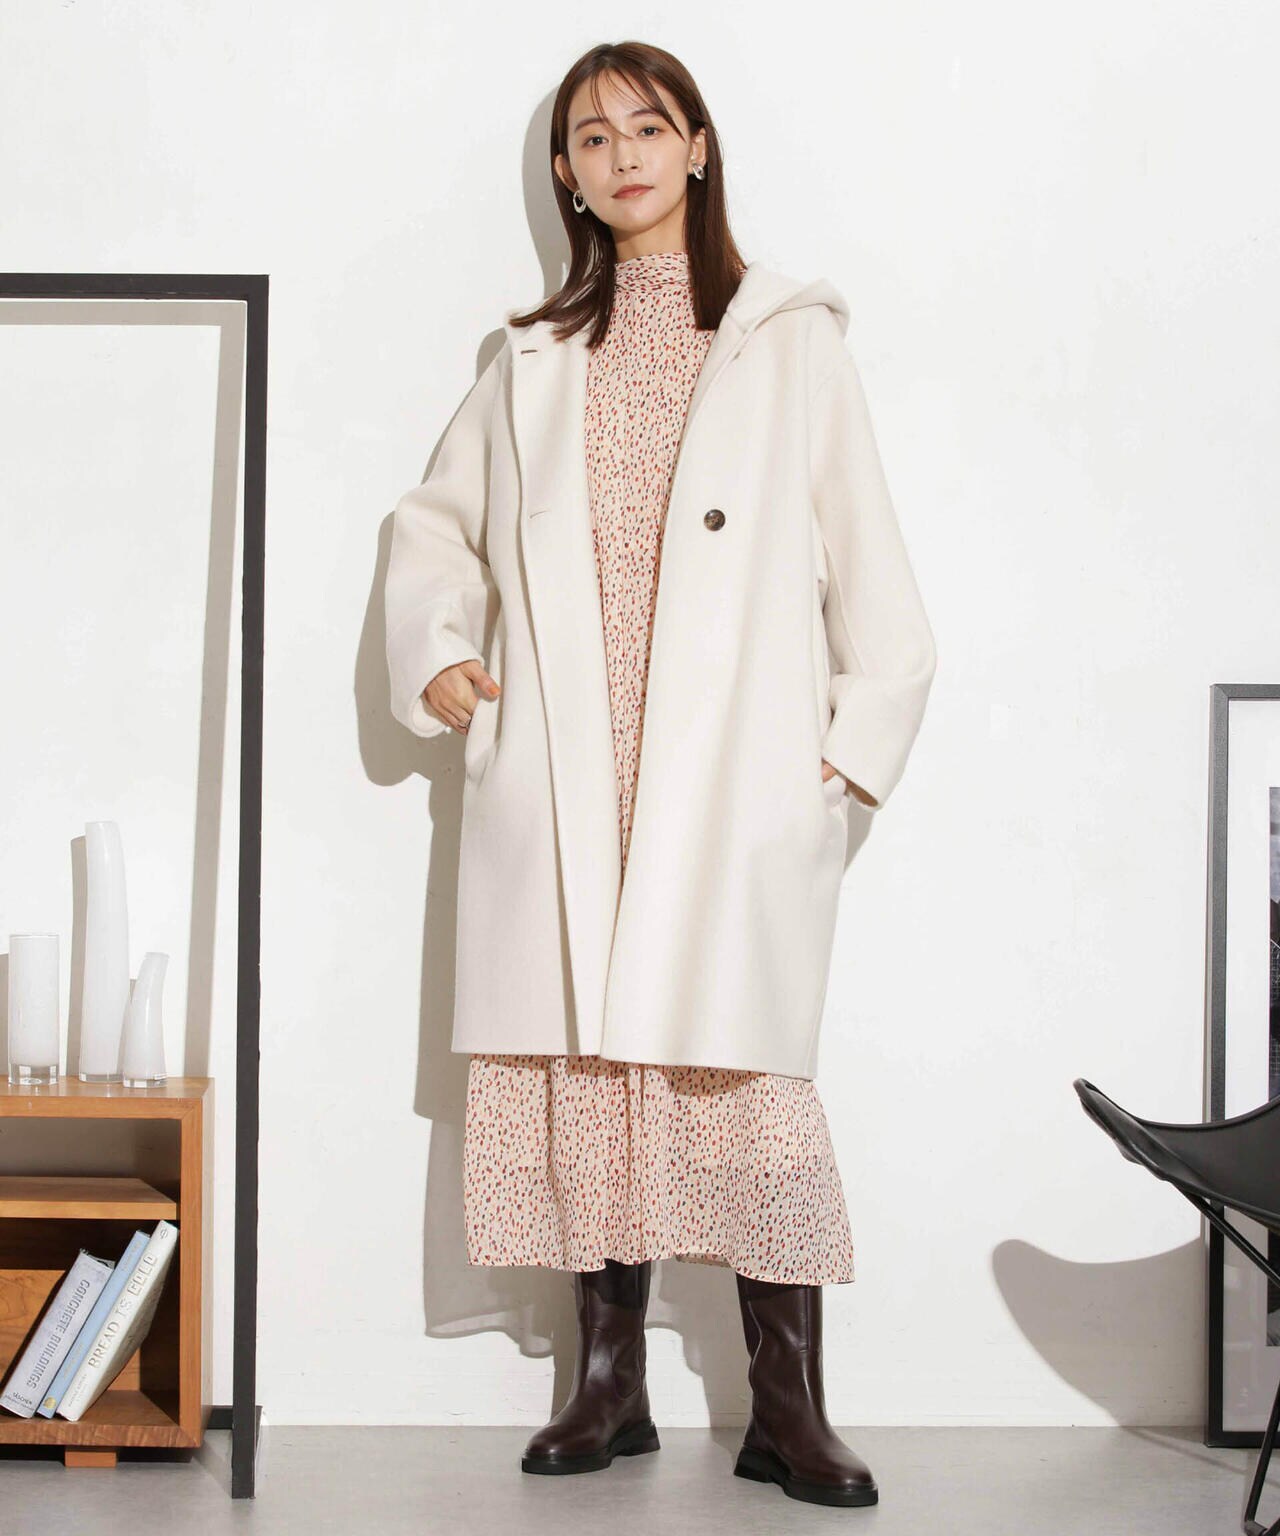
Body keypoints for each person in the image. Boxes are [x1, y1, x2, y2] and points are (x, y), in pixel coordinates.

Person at [384, 40, 937, 1511]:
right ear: (566, 175)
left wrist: (838, 768)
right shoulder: (531, 360)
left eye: (648, 124)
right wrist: (440, 652)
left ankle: (787, 1409)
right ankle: (608, 1384)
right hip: (574, 761)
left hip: (731, 772)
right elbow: (432, 527)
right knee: (591, 1069)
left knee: (743, 1081)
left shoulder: (790, 343)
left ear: (698, 146)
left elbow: (877, 580)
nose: (621, 153)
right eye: (590, 135)